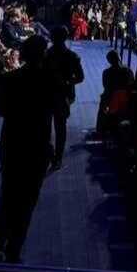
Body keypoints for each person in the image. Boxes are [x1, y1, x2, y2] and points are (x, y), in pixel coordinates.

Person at [0, 36, 60, 263]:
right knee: (28, 201)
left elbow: (1, 112)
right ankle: (14, 250)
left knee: (8, 196)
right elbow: (59, 108)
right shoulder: (50, 80)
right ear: (43, 55)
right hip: (37, 146)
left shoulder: (8, 79)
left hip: (12, 144)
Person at [46, 25, 85, 171]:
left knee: (49, 127)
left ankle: (53, 156)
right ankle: (57, 158)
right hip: (62, 95)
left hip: (52, 95)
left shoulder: (46, 55)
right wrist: (68, 82)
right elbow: (80, 78)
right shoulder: (72, 56)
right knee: (59, 127)